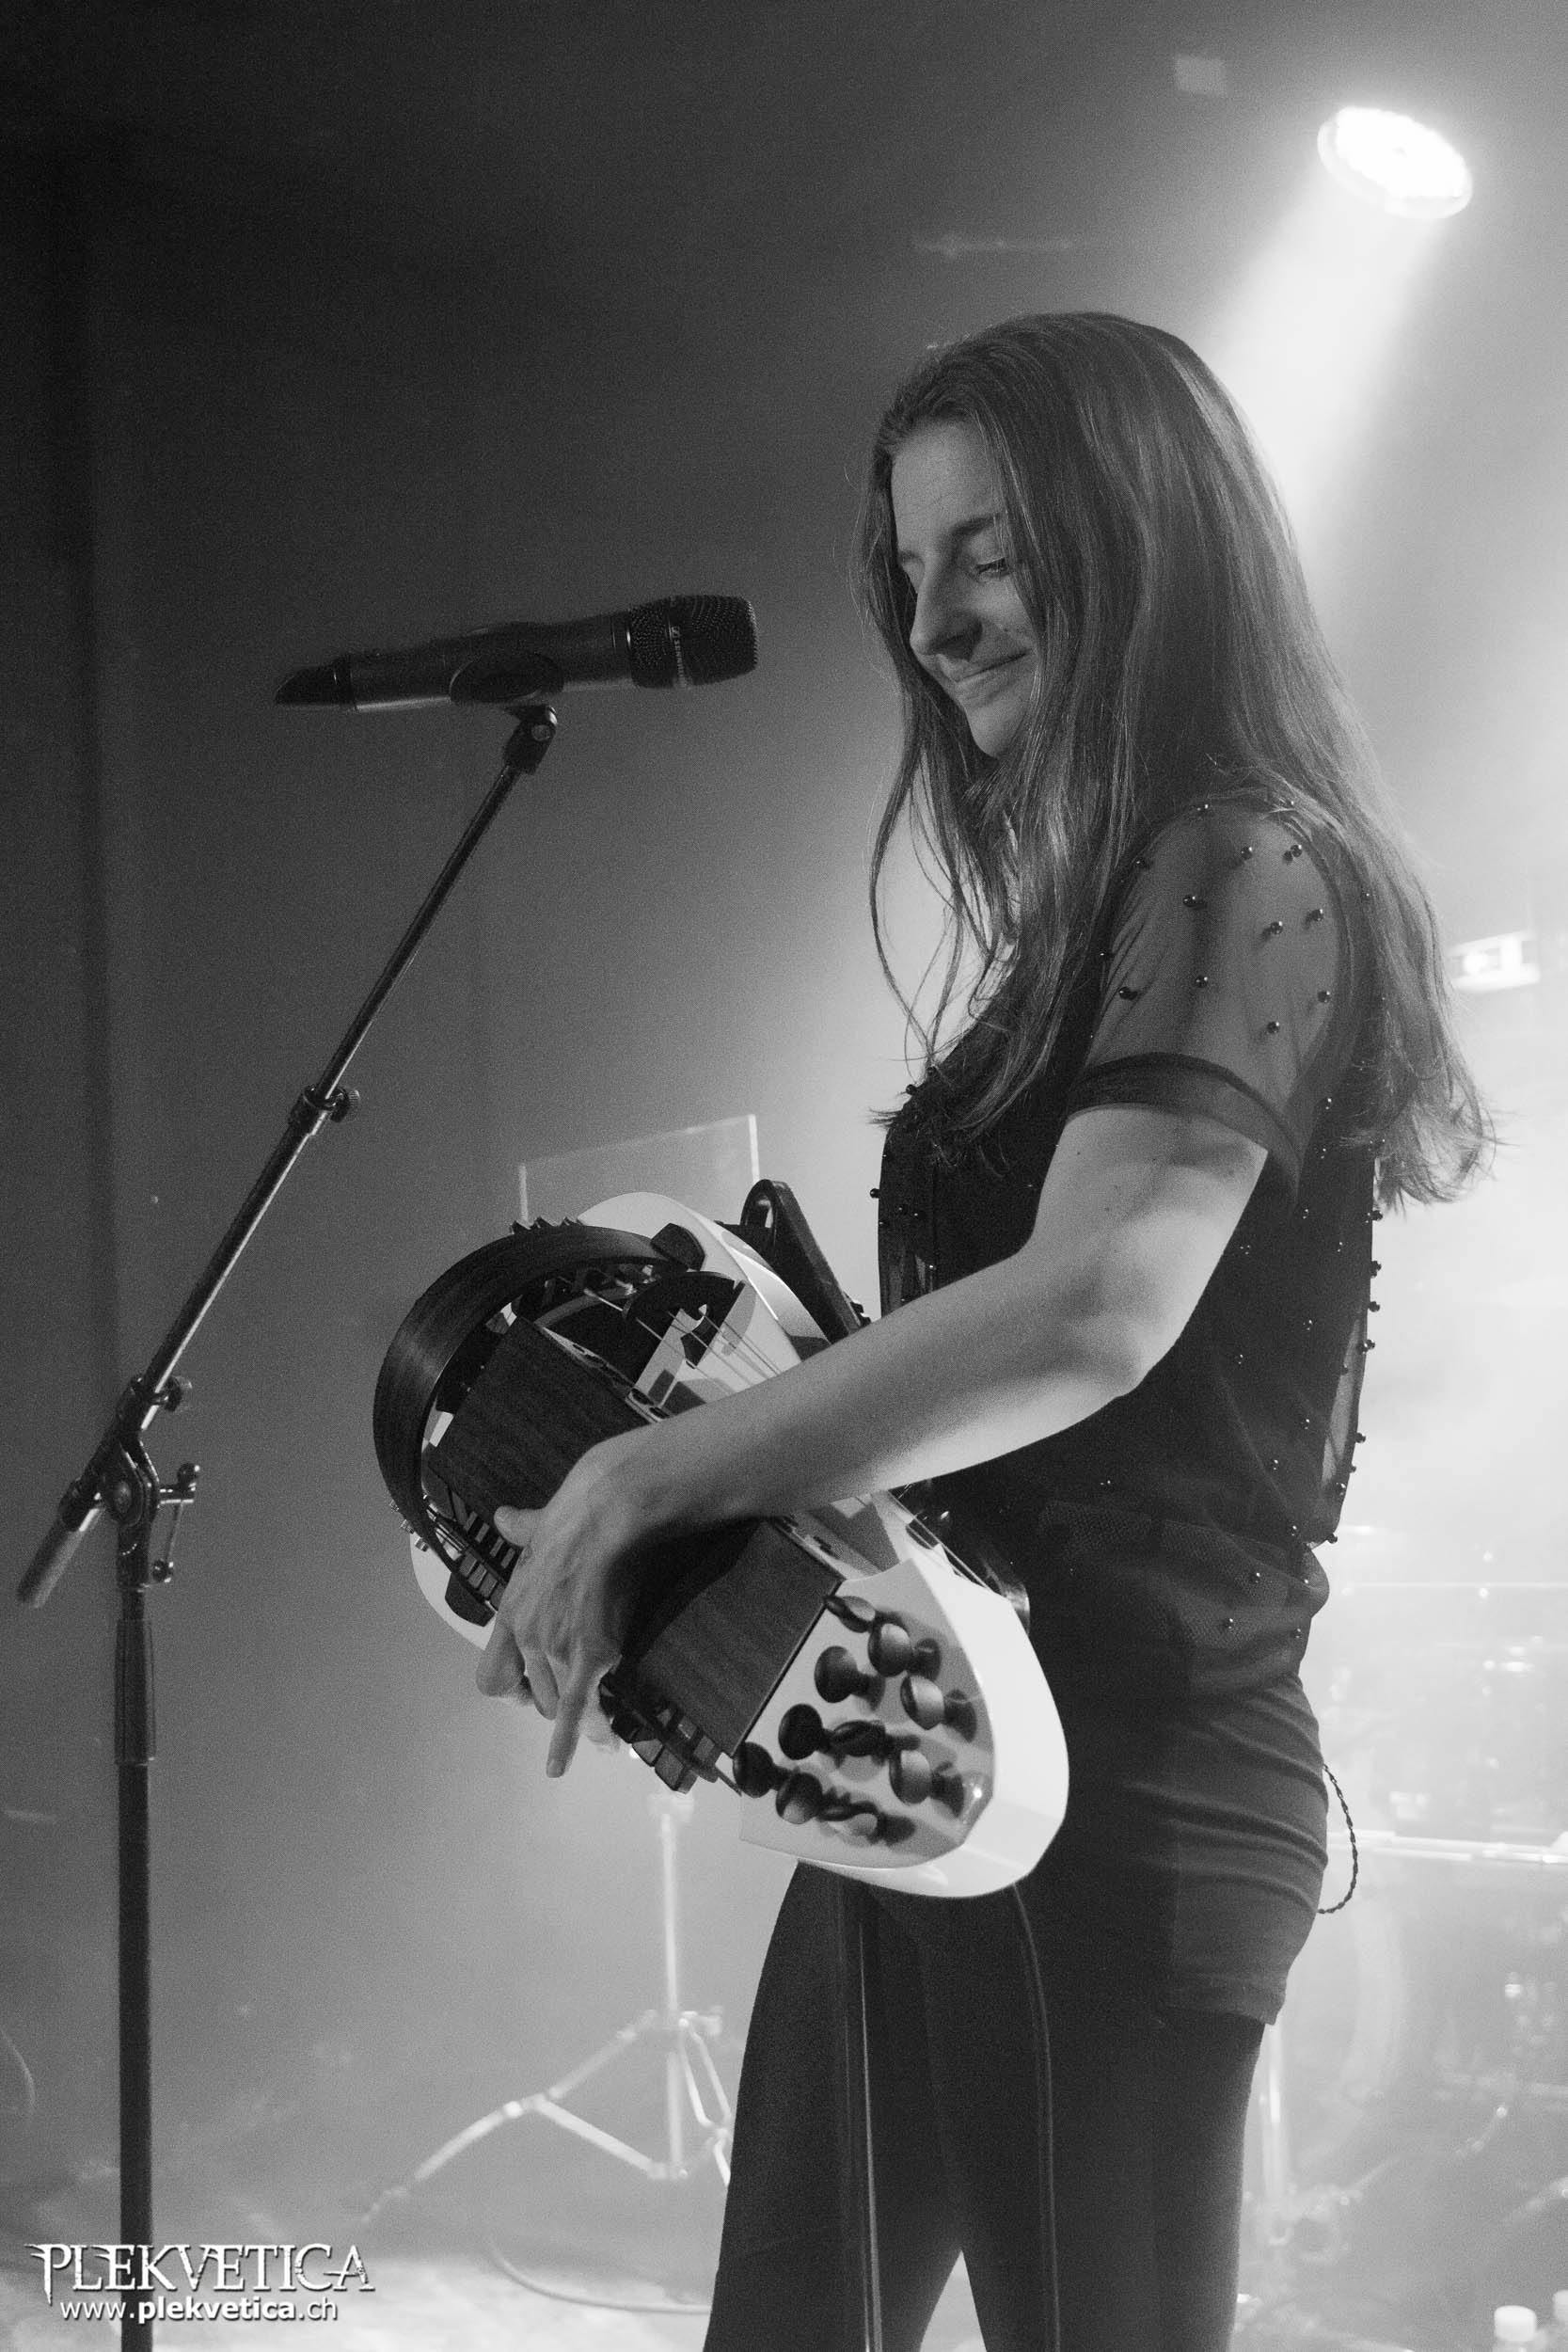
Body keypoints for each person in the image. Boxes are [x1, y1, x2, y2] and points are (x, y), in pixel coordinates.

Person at [475, 313, 1490, 2351]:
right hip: (936, 1756)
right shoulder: (1108, 903)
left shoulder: (1246, 858)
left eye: (992, 553)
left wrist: (657, 1471)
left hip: (1131, 1794)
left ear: (1143, 545)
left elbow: (1103, 1306)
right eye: (908, 564)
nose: (932, 622)